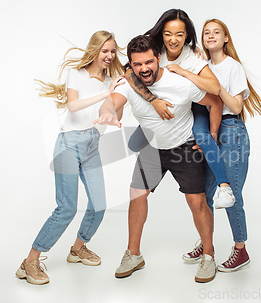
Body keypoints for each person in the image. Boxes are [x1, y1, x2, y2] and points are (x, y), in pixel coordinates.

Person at [94, 35, 222, 283]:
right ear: (130, 65)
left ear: (159, 58)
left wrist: (212, 135)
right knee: (136, 195)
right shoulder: (128, 85)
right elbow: (111, 104)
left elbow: (214, 102)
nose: (144, 69)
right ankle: (134, 255)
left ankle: (208, 255)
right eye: (137, 64)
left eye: (149, 62)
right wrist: (107, 113)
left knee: (196, 203)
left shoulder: (180, 84)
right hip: (152, 149)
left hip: (184, 148)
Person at [15, 31, 125, 285]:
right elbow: (73, 106)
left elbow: (112, 110)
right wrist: (105, 93)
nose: (109, 56)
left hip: (92, 146)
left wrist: (113, 112)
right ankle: (30, 261)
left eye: (112, 51)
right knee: (66, 208)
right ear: (95, 50)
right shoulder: (76, 74)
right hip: (69, 145)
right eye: (104, 51)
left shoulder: (114, 80)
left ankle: (77, 248)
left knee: (99, 205)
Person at [125, 9, 236, 210]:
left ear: (187, 36)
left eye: (179, 34)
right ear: (161, 34)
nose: (173, 39)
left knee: (202, 137)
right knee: (133, 144)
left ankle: (224, 186)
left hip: (192, 106)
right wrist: (153, 101)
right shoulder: (154, 50)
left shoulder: (192, 56)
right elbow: (128, 72)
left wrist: (183, 71)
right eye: (168, 33)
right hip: (162, 111)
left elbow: (214, 89)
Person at [184, 19, 261, 272]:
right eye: (206, 32)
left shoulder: (233, 67)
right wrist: (204, 139)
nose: (211, 36)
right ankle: (206, 242)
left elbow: (237, 107)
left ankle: (240, 250)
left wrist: (216, 87)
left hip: (232, 132)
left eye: (216, 32)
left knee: (231, 194)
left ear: (225, 38)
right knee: (207, 194)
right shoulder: (202, 66)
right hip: (212, 133)